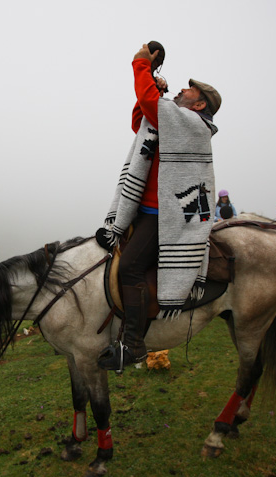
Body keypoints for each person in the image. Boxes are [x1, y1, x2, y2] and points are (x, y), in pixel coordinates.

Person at [95, 42, 221, 371]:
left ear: (201, 103)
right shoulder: (179, 121)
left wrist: (141, 65)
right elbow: (142, 118)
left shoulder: (195, 126)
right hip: (147, 208)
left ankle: (133, 343)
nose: (182, 89)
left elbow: (150, 104)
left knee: (130, 267)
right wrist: (150, 79)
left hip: (162, 216)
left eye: (189, 89)